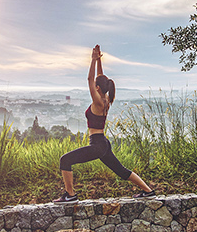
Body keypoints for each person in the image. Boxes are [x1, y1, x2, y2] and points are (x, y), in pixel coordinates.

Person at [56, 46, 154, 201]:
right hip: (103, 144)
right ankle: (148, 191)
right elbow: (99, 79)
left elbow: (90, 79)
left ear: (97, 88)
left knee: (65, 160)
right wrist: (99, 59)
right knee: (121, 171)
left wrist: (93, 60)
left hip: (97, 145)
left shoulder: (98, 102)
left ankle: (70, 195)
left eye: (95, 85)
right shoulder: (106, 100)